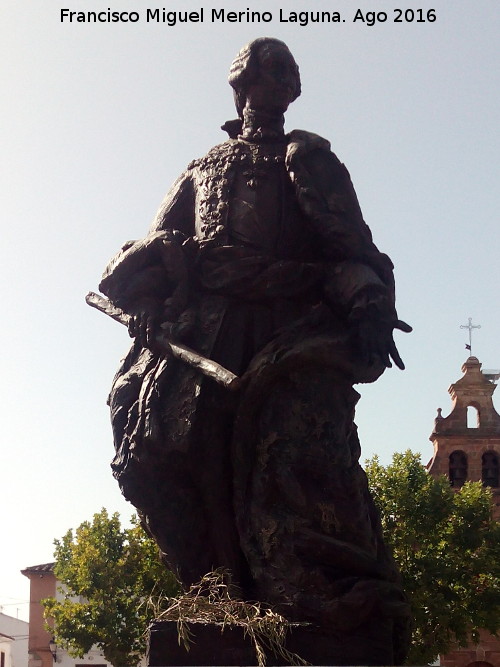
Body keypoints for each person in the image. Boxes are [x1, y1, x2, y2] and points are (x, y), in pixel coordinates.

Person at [98, 38, 411, 664]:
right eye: (250, 84)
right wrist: (154, 261)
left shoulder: (308, 158)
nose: (260, 96)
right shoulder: (201, 165)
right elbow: (153, 244)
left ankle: (305, 600)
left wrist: (367, 300)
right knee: (158, 452)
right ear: (236, 92)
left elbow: (351, 253)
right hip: (201, 334)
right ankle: (216, 594)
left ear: (292, 93)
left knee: (282, 466)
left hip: (281, 331)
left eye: (276, 83)